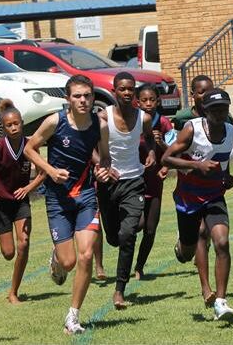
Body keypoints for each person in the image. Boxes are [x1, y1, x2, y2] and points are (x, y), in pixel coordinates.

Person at [24, 75, 110, 335]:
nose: (83, 100)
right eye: (77, 96)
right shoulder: (55, 121)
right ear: (67, 99)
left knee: (85, 255)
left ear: (93, 97)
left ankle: (73, 316)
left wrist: (104, 170)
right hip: (58, 200)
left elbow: (105, 159)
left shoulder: (100, 125)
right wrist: (50, 170)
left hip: (85, 196)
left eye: (87, 95)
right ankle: (57, 258)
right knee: (69, 262)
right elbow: (29, 148)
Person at [163, 88, 233, 320]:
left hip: (215, 196)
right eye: (214, 109)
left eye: (223, 108)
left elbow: (223, 162)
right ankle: (182, 246)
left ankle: (220, 301)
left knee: (222, 242)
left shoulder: (232, 131)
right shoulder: (192, 129)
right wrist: (197, 166)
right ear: (205, 110)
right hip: (188, 198)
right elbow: (166, 158)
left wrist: (227, 178)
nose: (219, 113)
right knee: (188, 251)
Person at [97, 72, 156, 308]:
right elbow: (91, 147)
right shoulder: (103, 118)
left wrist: (151, 152)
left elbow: (150, 140)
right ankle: (121, 230)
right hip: (108, 184)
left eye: (131, 89)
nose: (127, 92)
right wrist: (101, 166)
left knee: (128, 235)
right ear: (114, 91)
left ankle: (120, 290)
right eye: (122, 89)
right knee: (113, 237)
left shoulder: (144, 118)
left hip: (134, 181)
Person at [0, 99, 45, 304]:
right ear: (3, 127)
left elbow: (43, 172)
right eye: (9, 125)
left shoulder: (30, 146)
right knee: (9, 253)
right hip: (0, 203)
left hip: (21, 201)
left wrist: (29, 188)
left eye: (17, 123)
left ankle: (13, 292)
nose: (14, 127)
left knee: (24, 243)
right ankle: (12, 288)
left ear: (22, 123)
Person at [134, 83, 174, 280]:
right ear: (137, 102)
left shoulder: (164, 123)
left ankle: (139, 267)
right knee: (136, 224)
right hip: (133, 181)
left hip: (155, 181)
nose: (148, 104)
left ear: (158, 101)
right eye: (144, 100)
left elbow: (174, 151)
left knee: (150, 228)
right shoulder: (132, 122)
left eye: (152, 100)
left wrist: (162, 145)